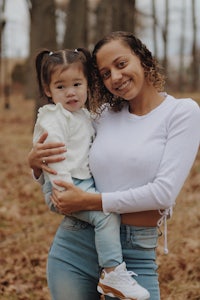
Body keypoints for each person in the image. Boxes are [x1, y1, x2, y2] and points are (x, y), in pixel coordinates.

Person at [28, 31, 200, 300]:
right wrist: (35, 164)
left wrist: (90, 200)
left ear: (143, 58)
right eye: (105, 73)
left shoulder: (181, 113)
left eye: (121, 64)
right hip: (75, 245)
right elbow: (69, 152)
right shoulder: (103, 115)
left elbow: (163, 193)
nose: (115, 77)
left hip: (134, 253)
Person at [32, 47, 149, 300]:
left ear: (87, 84)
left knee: (105, 210)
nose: (71, 92)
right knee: (105, 215)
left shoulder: (83, 115)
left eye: (77, 83)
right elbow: (54, 159)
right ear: (48, 90)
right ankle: (112, 272)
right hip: (65, 186)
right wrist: (65, 191)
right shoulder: (54, 118)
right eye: (60, 87)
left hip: (80, 183)